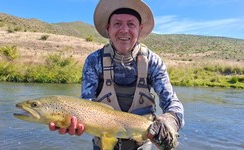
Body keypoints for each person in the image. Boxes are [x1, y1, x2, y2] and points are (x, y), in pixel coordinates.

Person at [49, 0, 184, 150]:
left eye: (131, 24)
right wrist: (72, 121)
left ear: (140, 29)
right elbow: (86, 103)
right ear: (108, 29)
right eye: (117, 24)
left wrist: (168, 123)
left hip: (142, 144)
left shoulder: (153, 62)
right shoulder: (94, 61)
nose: (124, 30)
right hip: (102, 144)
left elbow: (172, 103)